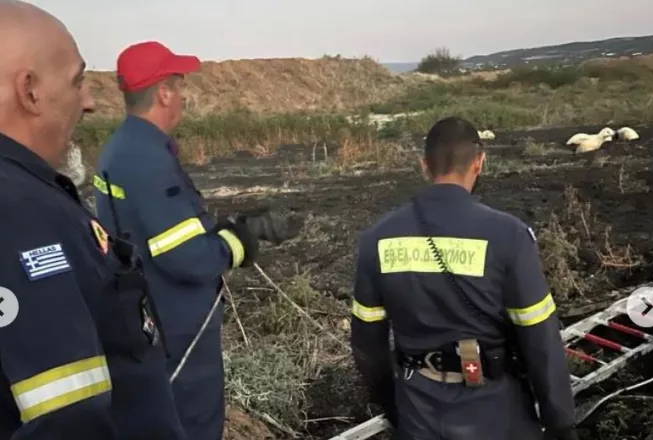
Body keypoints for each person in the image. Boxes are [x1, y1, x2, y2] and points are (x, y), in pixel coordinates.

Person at [92, 41, 300, 440]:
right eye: (180, 84)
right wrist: (239, 244)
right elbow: (186, 256)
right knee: (194, 423)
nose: (185, 94)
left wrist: (235, 225)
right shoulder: (147, 159)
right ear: (163, 92)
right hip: (177, 328)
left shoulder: (121, 148)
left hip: (147, 318)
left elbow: (154, 230)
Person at [0, 2, 186, 439]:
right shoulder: (18, 211)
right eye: (78, 81)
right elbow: (66, 416)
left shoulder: (31, 191)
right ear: (29, 91)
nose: (89, 101)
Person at [350, 116, 577, 440]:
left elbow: (366, 346)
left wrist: (394, 406)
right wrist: (560, 422)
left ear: (424, 165)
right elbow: (540, 337)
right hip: (497, 414)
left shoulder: (377, 239)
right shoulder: (508, 235)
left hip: (418, 413)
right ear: (479, 163)